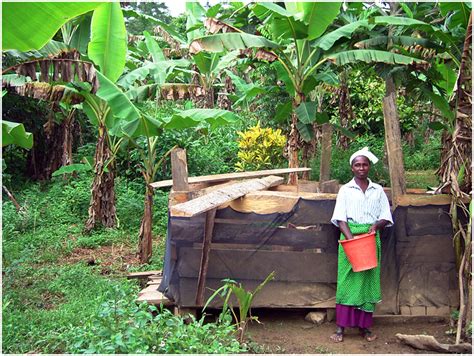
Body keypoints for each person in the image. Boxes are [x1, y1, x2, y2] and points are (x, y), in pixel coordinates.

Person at [329, 147, 393, 343]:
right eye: (357, 164)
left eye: (364, 164)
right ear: (352, 168)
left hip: (371, 240)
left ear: (369, 167)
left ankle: (365, 328)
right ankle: (340, 328)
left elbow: (385, 216)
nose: (361, 168)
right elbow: (340, 219)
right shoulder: (345, 190)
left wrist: (375, 226)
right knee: (347, 282)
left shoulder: (378, 190)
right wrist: (352, 241)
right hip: (350, 240)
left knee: (367, 282)